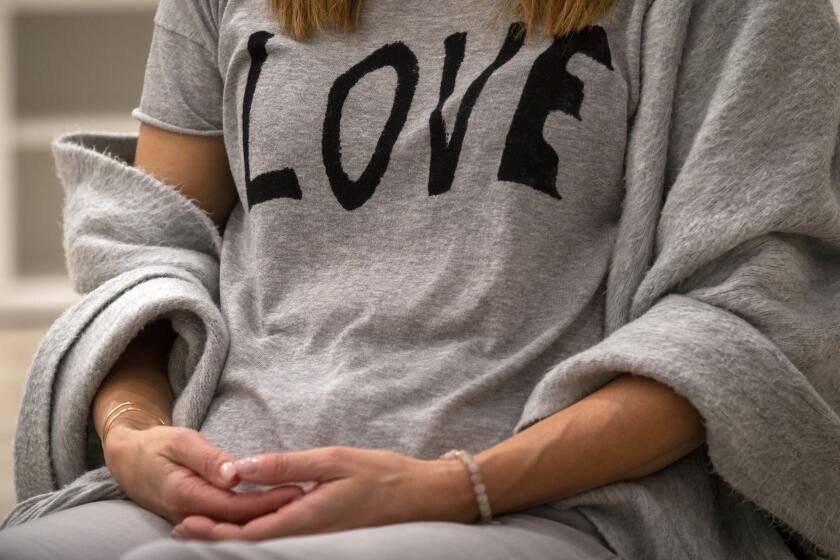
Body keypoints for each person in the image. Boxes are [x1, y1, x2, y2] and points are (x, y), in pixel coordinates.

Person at [2, 0, 840, 558]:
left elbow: (748, 313)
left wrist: (454, 487)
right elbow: (149, 246)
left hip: (548, 505)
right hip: (224, 481)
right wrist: (133, 433)